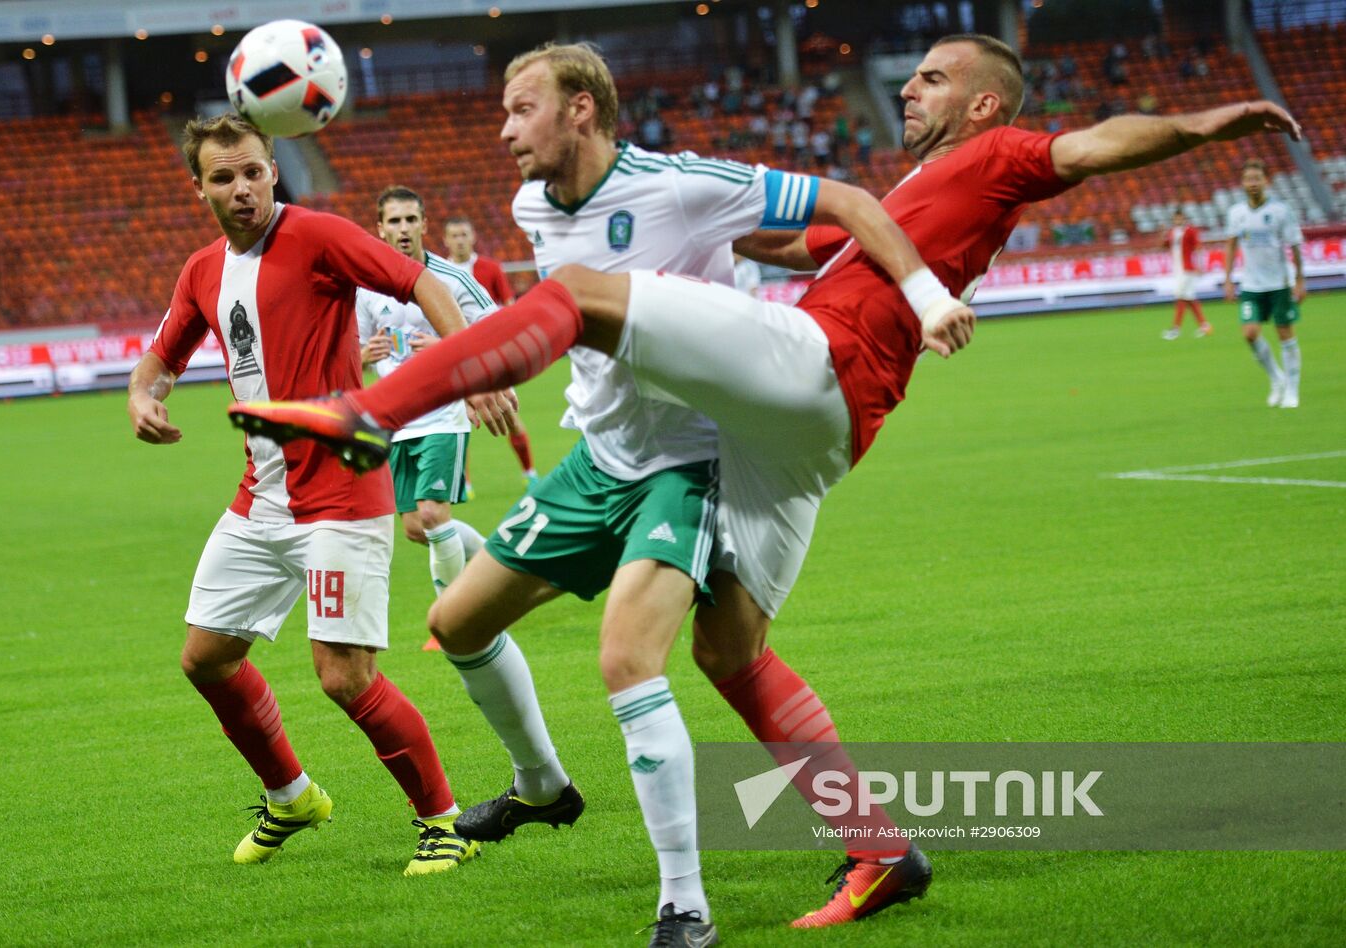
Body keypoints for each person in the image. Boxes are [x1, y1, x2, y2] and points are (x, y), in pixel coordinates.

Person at [231, 35, 1300, 935]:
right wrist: (738, 228)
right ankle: (881, 851)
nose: (907, 88)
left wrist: (1207, 125)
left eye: (931, 78)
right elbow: (813, 239)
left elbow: (1093, 145)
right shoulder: (915, 188)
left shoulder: (998, 154)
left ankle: (367, 413)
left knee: (587, 297)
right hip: (804, 434)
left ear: (981, 103)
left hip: (818, 368)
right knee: (728, 649)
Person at [129, 113, 511, 876]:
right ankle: (292, 796)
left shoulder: (319, 235)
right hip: (262, 494)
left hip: (341, 488)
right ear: (199, 187)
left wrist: (471, 369)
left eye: (254, 172)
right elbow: (160, 360)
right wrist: (145, 396)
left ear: (274, 169)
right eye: (224, 177)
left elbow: (419, 280)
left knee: (344, 675)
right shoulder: (203, 271)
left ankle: (443, 822)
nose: (243, 189)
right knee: (207, 658)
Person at [358, 187, 503, 652]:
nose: (403, 229)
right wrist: (364, 354)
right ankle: (497, 564)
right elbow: (351, 350)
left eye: (410, 220)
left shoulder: (451, 279)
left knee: (432, 515)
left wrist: (447, 345)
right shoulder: (367, 287)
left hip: (444, 412)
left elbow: (497, 328)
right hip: (397, 422)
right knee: (417, 529)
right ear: (380, 229)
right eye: (394, 221)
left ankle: (455, 623)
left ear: (424, 224)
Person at [443, 215, 539, 482]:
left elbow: (508, 308)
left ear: (473, 237)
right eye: (454, 235)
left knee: (509, 415)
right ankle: (463, 482)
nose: (460, 240)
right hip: (457, 358)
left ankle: (530, 474)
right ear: (446, 240)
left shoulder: (490, 269)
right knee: (458, 421)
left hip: (492, 356)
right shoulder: (439, 273)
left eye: (464, 234)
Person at [1223, 160, 1305, 407]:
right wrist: (1228, 279)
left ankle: (1292, 390)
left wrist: (1300, 279)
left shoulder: (1281, 211)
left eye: (1257, 179)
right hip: (1251, 285)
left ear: (1265, 181)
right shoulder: (1236, 213)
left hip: (1278, 283)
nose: (1253, 184)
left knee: (1285, 334)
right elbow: (1231, 245)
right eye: (1248, 179)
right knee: (1250, 333)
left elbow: (1294, 245)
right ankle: (1277, 378)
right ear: (1242, 183)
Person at [1161, 208, 1212, 339]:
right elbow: (1165, 245)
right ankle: (1204, 326)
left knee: (1180, 296)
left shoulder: (1190, 231)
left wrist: (1200, 265)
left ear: (1184, 218)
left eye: (1180, 217)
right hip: (1177, 269)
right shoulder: (1172, 232)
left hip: (1188, 269)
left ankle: (1175, 329)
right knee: (1189, 297)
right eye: (1176, 218)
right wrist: (1162, 234)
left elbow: (1198, 247)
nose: (1178, 220)